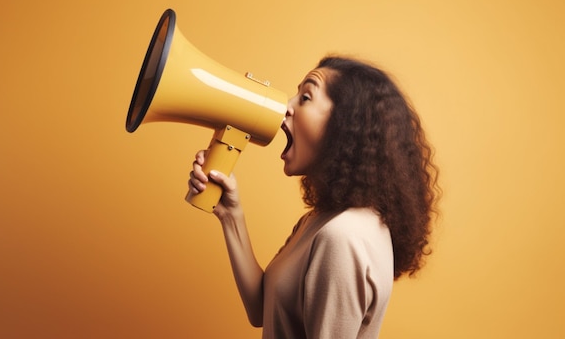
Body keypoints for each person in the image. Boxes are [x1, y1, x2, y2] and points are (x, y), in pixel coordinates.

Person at [188, 55, 439, 339]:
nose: (287, 106)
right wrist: (230, 215)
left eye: (306, 97)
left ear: (345, 124)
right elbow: (261, 309)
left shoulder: (343, 237)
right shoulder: (321, 221)